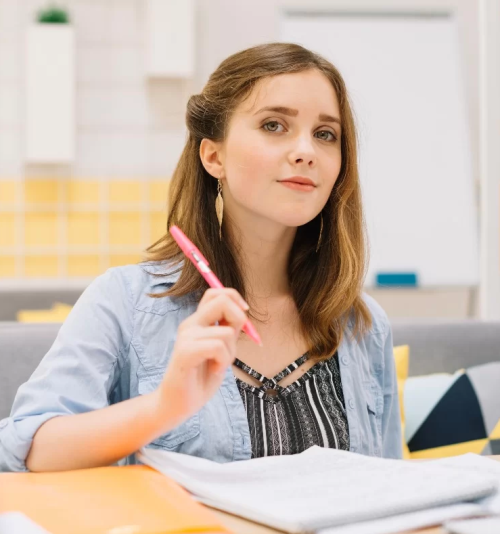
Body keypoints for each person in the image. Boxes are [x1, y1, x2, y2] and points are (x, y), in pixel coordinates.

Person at [0, 42, 402, 473]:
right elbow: (25, 452)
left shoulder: (363, 325)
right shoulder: (125, 302)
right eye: (273, 125)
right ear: (213, 156)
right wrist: (165, 405)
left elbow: (391, 487)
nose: (306, 150)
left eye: (326, 134)